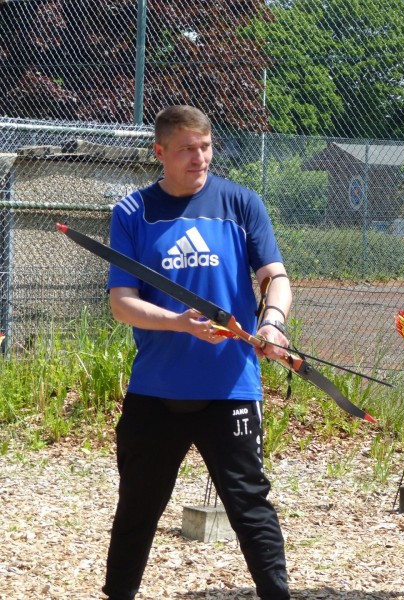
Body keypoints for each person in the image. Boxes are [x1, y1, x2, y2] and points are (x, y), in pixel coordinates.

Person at [102, 105, 293, 600]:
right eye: (187, 148)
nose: (199, 157)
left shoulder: (241, 202)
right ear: (159, 152)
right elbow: (122, 303)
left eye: (205, 146)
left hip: (230, 388)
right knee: (138, 508)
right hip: (156, 389)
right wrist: (179, 323)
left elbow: (275, 276)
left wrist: (271, 323)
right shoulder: (131, 213)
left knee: (250, 506)